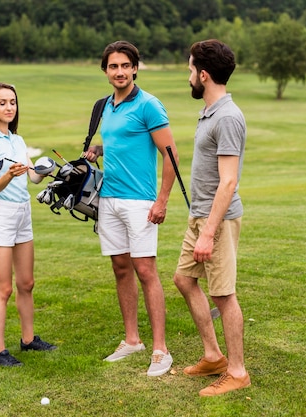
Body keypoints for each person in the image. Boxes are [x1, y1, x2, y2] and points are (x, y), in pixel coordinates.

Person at [83, 41, 178, 377]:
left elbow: (171, 156)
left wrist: (162, 201)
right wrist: (99, 149)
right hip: (108, 199)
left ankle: (160, 350)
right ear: (106, 71)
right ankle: (132, 340)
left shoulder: (149, 105)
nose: (119, 72)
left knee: (146, 270)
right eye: (113, 66)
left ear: (135, 67)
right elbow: (122, 143)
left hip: (141, 202)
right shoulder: (105, 107)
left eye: (125, 65)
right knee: (121, 268)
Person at [173, 39, 251, 396]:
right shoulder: (210, 112)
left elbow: (229, 181)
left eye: (190, 70)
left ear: (204, 75)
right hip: (200, 216)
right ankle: (213, 355)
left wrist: (208, 232)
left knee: (224, 294)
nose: (188, 76)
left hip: (215, 221)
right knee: (184, 280)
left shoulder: (229, 116)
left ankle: (236, 371)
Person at [0, 82, 57, 367]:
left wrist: (44, 171)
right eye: (2, 103)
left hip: (23, 213)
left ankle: (28, 339)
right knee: (4, 289)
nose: (9, 107)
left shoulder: (17, 140)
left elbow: (32, 177)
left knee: (27, 283)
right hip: (2, 215)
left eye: (12, 102)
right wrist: (10, 174)